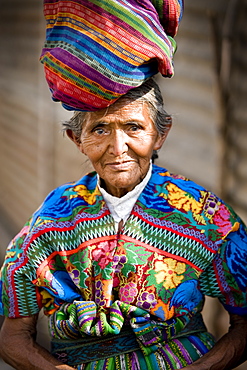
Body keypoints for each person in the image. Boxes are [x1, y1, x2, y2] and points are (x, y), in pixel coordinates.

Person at [0, 78, 246, 370]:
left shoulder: (204, 216)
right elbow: (13, 336)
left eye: (134, 128)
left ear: (160, 133)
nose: (118, 148)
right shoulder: (51, 220)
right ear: (77, 140)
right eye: (99, 129)